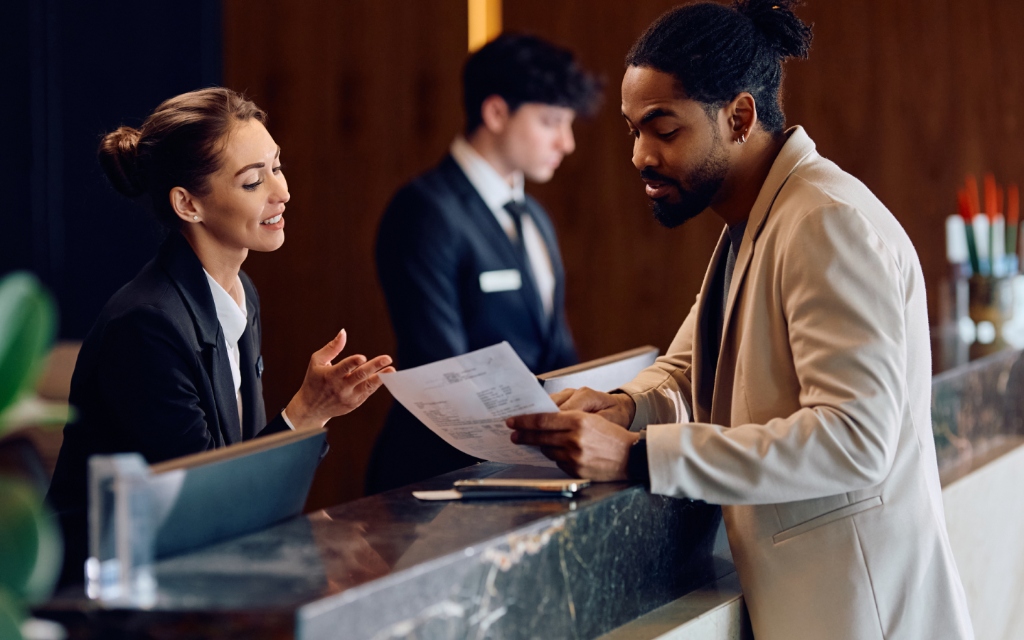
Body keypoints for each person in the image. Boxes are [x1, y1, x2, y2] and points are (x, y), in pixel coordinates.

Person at [507, 2, 974, 638]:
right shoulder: (754, 221)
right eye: (632, 130)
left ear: (739, 117)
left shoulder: (824, 222)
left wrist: (640, 456)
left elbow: (854, 438)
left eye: (663, 130)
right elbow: (686, 369)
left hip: (863, 615)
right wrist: (623, 407)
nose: (640, 156)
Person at [47, 87, 394, 584]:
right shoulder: (146, 325)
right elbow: (209, 504)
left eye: (277, 166)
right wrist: (305, 412)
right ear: (188, 204)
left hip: (192, 571)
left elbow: (234, 469)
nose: (283, 192)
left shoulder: (239, 292)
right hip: (105, 592)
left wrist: (313, 411)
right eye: (254, 181)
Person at [365, 34, 601, 493]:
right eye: (551, 121)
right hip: (440, 475)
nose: (566, 142)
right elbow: (442, 367)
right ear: (496, 113)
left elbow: (557, 351)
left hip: (527, 467)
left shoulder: (534, 216)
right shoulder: (424, 210)